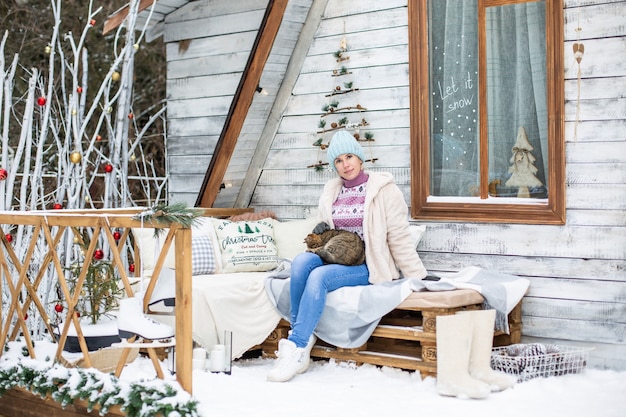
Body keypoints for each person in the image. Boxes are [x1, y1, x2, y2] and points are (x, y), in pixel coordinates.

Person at [267, 130, 428, 382]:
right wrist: (320, 231)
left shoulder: (385, 191)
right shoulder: (331, 191)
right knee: (300, 261)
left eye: (349, 156)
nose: (345, 164)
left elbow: (399, 237)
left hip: (366, 264)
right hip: (336, 255)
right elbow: (329, 237)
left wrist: (418, 277)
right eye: (339, 160)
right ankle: (301, 340)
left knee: (319, 276)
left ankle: (296, 346)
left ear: (360, 158)